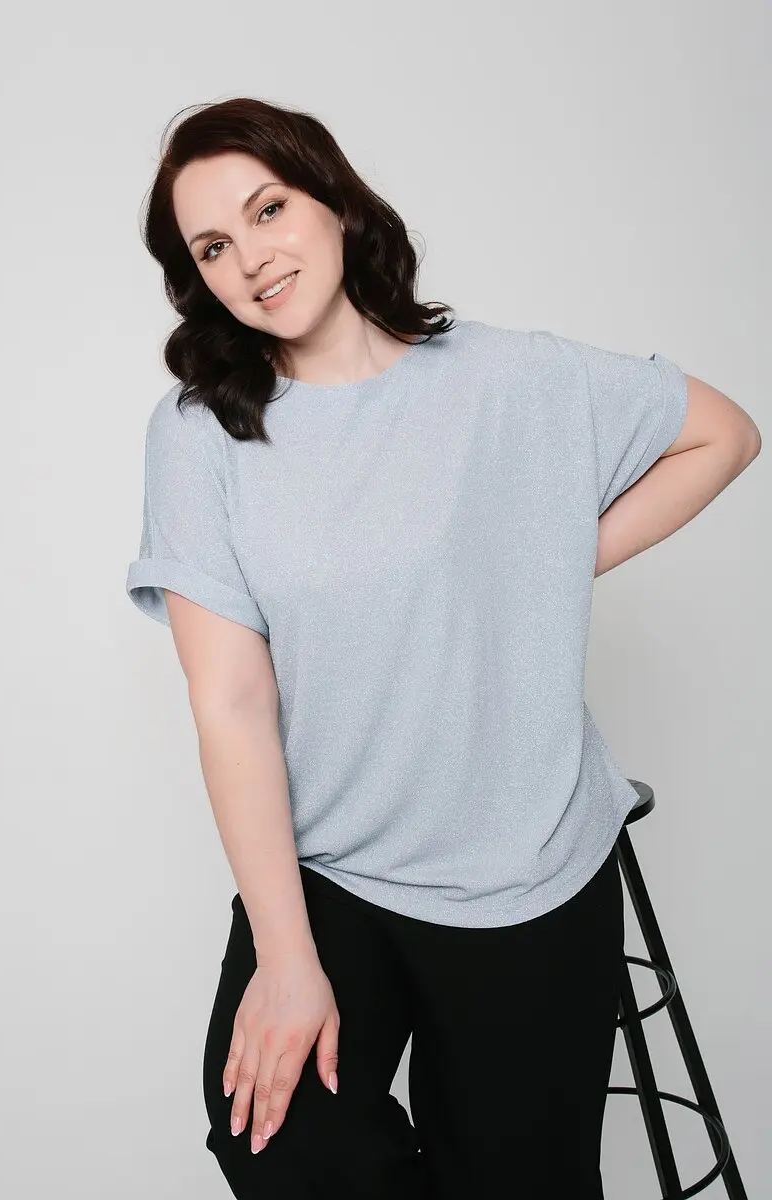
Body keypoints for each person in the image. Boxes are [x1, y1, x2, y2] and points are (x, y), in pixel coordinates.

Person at [125, 97, 761, 1199]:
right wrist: (286, 960)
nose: (251, 259)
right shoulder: (200, 434)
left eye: (268, 211)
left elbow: (724, 433)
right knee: (279, 1145)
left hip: (527, 864)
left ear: (333, 201)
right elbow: (229, 700)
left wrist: (537, 563)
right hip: (332, 867)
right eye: (213, 247)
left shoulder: (507, 379)